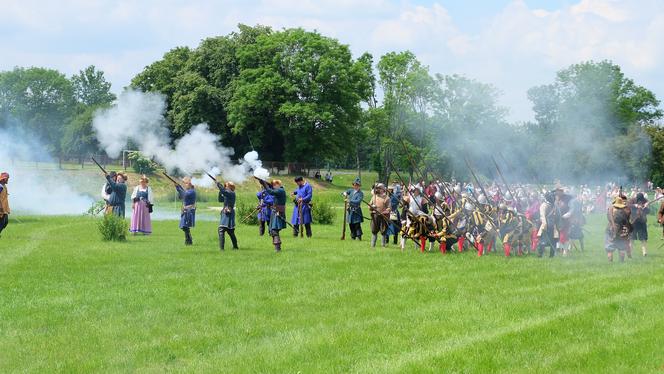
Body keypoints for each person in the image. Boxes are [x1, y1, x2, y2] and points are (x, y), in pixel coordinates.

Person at [259, 179, 287, 252]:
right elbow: (271, 188)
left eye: (275, 185)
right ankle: (277, 247)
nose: (273, 186)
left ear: (278, 184)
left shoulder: (280, 190)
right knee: (272, 230)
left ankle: (277, 248)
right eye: (273, 185)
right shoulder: (279, 190)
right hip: (275, 211)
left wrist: (264, 184)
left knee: (274, 230)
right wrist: (264, 182)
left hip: (278, 212)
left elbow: (270, 192)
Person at [606, 196, 632, 262]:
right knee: (622, 247)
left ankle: (610, 264)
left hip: (611, 229)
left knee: (610, 248)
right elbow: (627, 220)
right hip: (621, 230)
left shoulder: (610, 209)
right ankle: (621, 263)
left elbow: (608, 218)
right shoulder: (625, 210)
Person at [216, 181, 239, 250]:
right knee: (230, 231)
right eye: (225, 186)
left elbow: (224, 192)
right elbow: (220, 200)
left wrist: (219, 186)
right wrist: (220, 190)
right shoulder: (227, 193)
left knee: (221, 230)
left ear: (230, 187)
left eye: (226, 186)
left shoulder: (231, 193)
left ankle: (222, 249)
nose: (225, 187)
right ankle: (235, 247)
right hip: (226, 212)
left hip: (228, 213)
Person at [369, 183, 391, 247]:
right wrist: (372, 207)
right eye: (377, 188)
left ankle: (383, 245)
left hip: (383, 217)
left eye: (379, 188)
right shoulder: (374, 197)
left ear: (383, 189)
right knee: (374, 230)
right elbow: (369, 206)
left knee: (383, 231)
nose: (378, 189)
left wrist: (384, 212)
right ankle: (372, 245)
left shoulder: (387, 198)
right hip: (375, 216)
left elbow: (389, 208)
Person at [176, 177, 196, 246]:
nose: (185, 185)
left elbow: (185, 194)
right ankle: (188, 240)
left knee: (185, 226)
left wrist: (178, 188)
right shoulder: (187, 190)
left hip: (189, 210)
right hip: (186, 210)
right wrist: (178, 188)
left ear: (190, 184)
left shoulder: (192, 191)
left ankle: (188, 240)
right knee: (184, 226)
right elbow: (181, 196)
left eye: (186, 183)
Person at [629, 192, 650, 256]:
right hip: (634, 222)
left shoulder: (645, 201)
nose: (641, 201)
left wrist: (646, 206)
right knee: (632, 238)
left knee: (643, 238)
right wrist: (635, 205)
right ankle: (630, 252)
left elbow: (648, 211)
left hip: (642, 222)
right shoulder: (632, 200)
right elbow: (627, 205)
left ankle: (644, 252)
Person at [0, 172, 10, 237]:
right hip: (1, 208)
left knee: (5, 222)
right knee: (2, 222)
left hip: (4, 208)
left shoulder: (4, 186)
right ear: (3, 179)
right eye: (7, 178)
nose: (8, 180)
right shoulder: (0, 187)